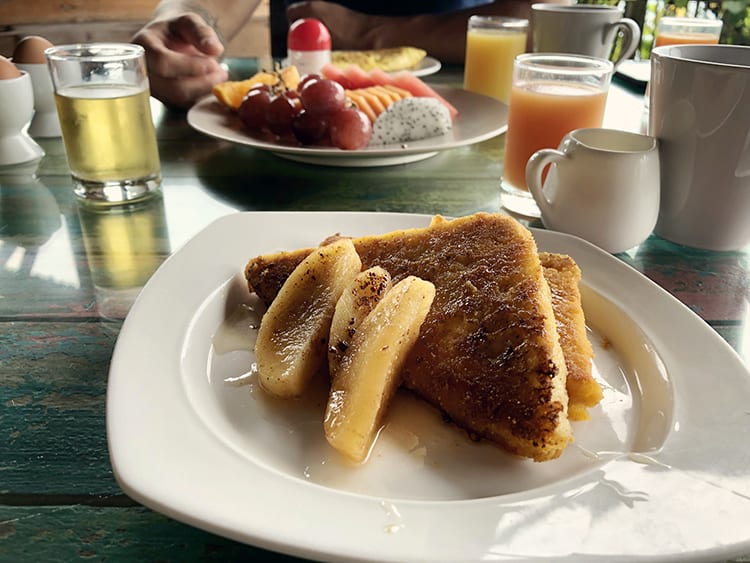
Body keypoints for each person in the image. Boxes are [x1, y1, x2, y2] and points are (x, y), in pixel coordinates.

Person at [132, 0, 547, 109]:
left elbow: (538, 12)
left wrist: (370, 31)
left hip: (477, 114)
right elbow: (205, 5)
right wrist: (181, 17)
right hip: (279, 147)